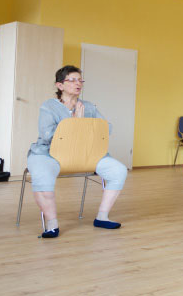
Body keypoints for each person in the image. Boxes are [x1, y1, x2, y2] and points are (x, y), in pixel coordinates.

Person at [27, 65, 128, 238]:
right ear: (60, 85)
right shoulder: (48, 107)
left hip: (84, 154)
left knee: (118, 170)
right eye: (72, 80)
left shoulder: (88, 107)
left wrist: (82, 126)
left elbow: (106, 128)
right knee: (42, 177)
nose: (78, 83)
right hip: (49, 153)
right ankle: (52, 225)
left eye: (80, 79)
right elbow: (47, 134)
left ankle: (102, 217)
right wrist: (73, 123)